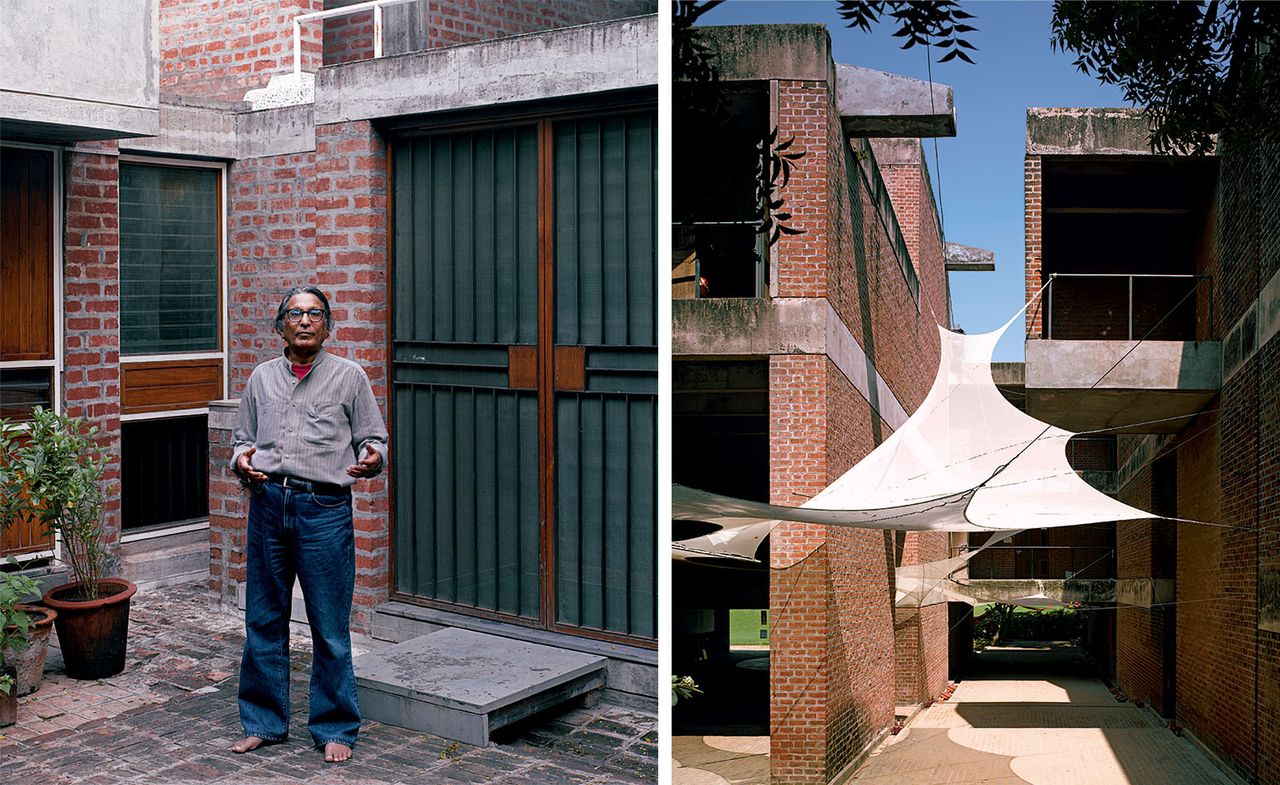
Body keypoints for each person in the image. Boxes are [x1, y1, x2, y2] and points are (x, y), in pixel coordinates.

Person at [228, 285, 387, 764]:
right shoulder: (260, 378)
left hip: (325, 510)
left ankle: (335, 726)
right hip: (269, 505)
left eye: (314, 313)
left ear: (327, 326)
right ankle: (264, 722)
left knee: (329, 625)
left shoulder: (349, 377)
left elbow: (373, 439)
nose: (304, 321)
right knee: (264, 618)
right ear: (280, 326)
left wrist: (372, 457)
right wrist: (242, 463)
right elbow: (241, 441)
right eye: (294, 314)